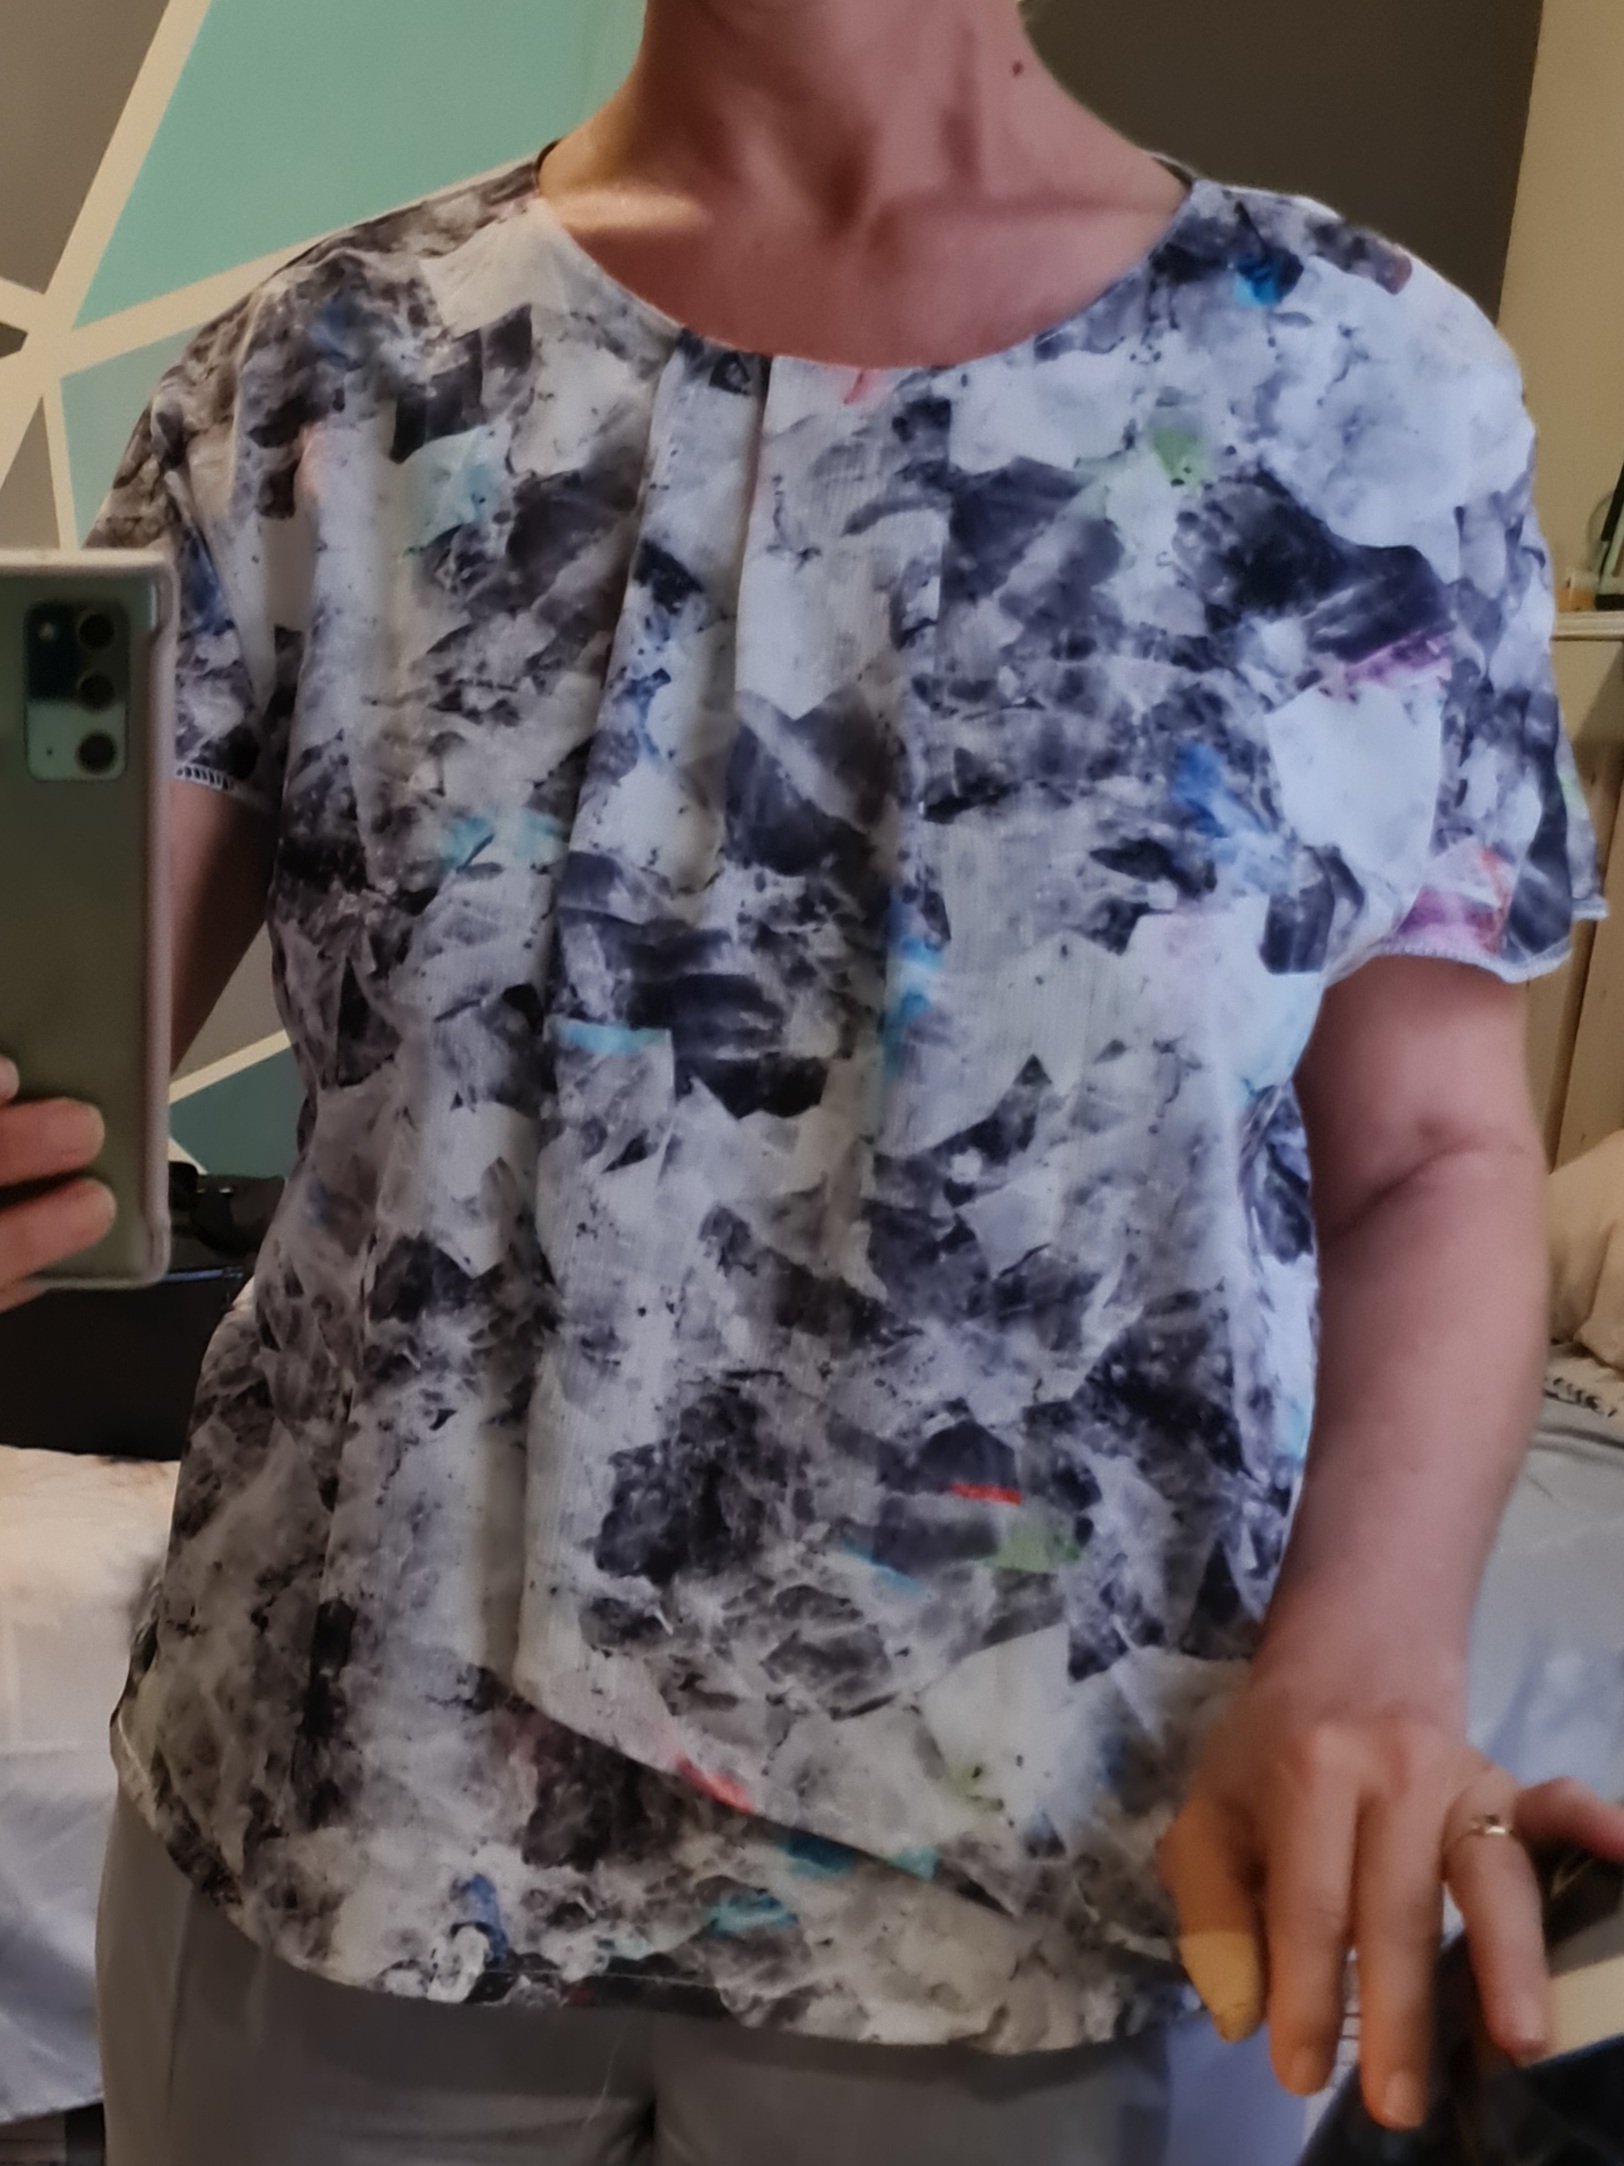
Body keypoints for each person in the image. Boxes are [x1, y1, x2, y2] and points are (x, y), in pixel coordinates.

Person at [3, 1, 1622, 2158]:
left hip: (1067, 1876)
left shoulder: (1354, 388)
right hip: (349, 1844)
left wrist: (1375, 1645)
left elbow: (1429, 1157)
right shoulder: (324, 371)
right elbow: (64, 1032)